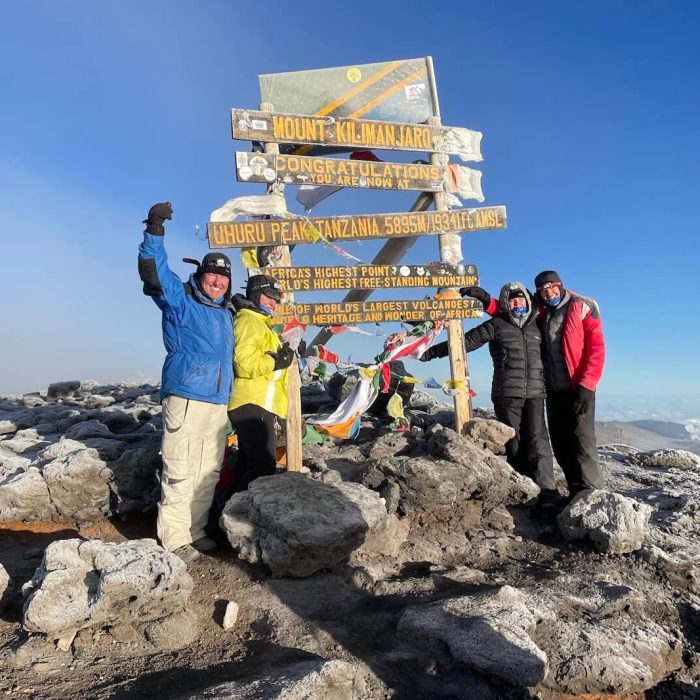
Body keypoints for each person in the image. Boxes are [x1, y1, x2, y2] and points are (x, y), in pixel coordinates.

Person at [138, 202, 234, 564]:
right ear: (201, 274)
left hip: (216, 401)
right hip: (188, 396)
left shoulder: (226, 312)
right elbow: (154, 271)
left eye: (224, 276)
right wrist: (154, 228)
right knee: (180, 469)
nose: (217, 280)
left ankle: (195, 532)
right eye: (212, 273)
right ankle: (174, 538)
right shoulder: (181, 300)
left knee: (207, 471)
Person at [463, 270, 606, 497]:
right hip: (551, 390)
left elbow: (596, 349)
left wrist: (587, 386)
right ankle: (574, 490)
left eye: (552, 287)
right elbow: (512, 313)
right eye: (543, 290)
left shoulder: (583, 306)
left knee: (582, 439)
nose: (549, 293)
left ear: (560, 285)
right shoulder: (539, 311)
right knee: (559, 442)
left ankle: (591, 494)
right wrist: (486, 299)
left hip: (579, 388)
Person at [420, 282, 559, 511]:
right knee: (513, 442)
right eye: (513, 300)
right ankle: (523, 490)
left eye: (521, 299)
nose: (518, 304)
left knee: (538, 441)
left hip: (535, 393)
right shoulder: (497, 325)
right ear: (505, 303)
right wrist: (431, 352)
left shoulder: (538, 326)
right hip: (506, 393)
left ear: (528, 301)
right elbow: (464, 343)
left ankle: (547, 491)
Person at [227, 274, 293, 491]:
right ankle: (233, 517)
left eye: (276, 298)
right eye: (269, 296)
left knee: (249, 464)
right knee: (263, 465)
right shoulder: (248, 320)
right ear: (256, 293)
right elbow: (244, 363)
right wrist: (276, 361)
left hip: (257, 401)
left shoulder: (261, 322)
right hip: (252, 401)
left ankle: (223, 516)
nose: (273, 302)